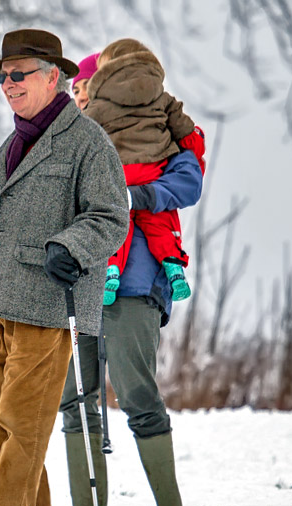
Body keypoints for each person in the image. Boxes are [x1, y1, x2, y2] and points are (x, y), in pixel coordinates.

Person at [0, 29, 129, 506]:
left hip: (49, 309)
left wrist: (70, 246)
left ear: (55, 76)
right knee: (0, 435)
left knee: (23, 429)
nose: (7, 85)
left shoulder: (86, 142)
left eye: (18, 74)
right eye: (2, 76)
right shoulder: (8, 148)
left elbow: (110, 216)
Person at [56, 50, 204, 506]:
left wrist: (135, 197)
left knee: (136, 391)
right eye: (76, 89)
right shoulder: (77, 138)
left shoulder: (163, 136)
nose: (78, 94)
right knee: (75, 393)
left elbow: (188, 182)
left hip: (138, 282)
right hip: (81, 278)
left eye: (84, 86)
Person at [83, 38, 207, 305]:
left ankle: (111, 269)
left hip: (118, 173)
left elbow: (81, 137)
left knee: (116, 222)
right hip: (154, 169)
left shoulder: (100, 103)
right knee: (159, 219)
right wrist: (192, 146)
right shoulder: (162, 98)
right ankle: (173, 265)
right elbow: (188, 135)